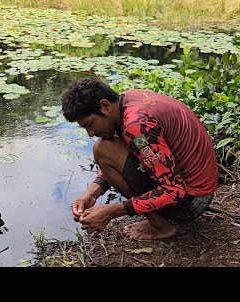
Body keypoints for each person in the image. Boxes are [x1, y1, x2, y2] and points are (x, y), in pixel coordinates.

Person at [61, 78, 218, 241]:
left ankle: (161, 226)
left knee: (102, 149)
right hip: (195, 190)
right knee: (106, 148)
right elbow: (127, 152)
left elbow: (174, 191)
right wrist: (92, 193)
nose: (91, 133)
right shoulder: (127, 101)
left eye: (90, 124)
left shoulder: (136, 126)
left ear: (105, 106)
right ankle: (157, 220)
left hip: (191, 202)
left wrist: (110, 212)